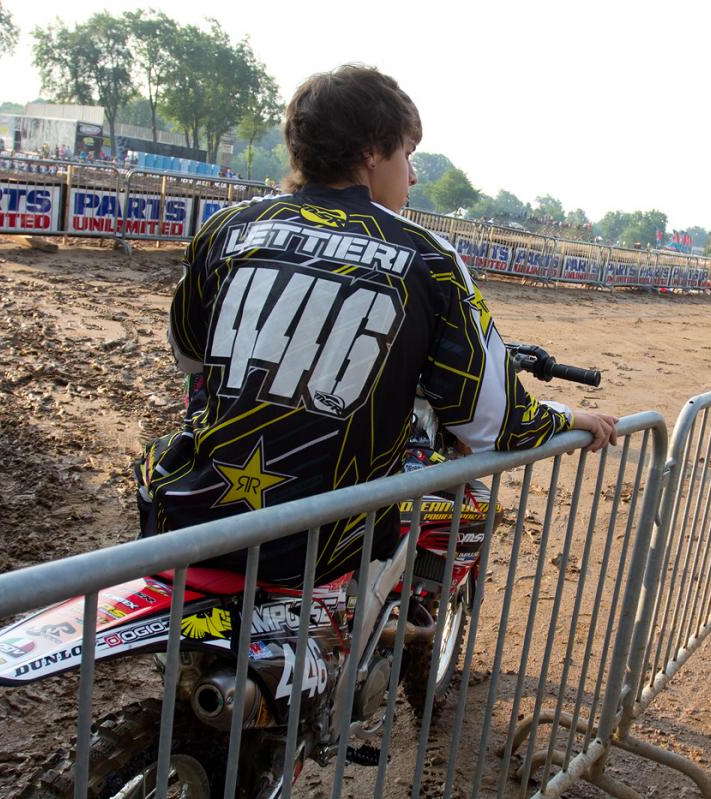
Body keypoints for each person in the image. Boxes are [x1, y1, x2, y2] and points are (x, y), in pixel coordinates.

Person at [135, 64, 617, 587]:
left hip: (197, 521)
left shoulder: (227, 228)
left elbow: (188, 354)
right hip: (325, 547)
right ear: (370, 152)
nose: (412, 175)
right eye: (408, 152)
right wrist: (567, 416)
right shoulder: (427, 256)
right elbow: (492, 422)